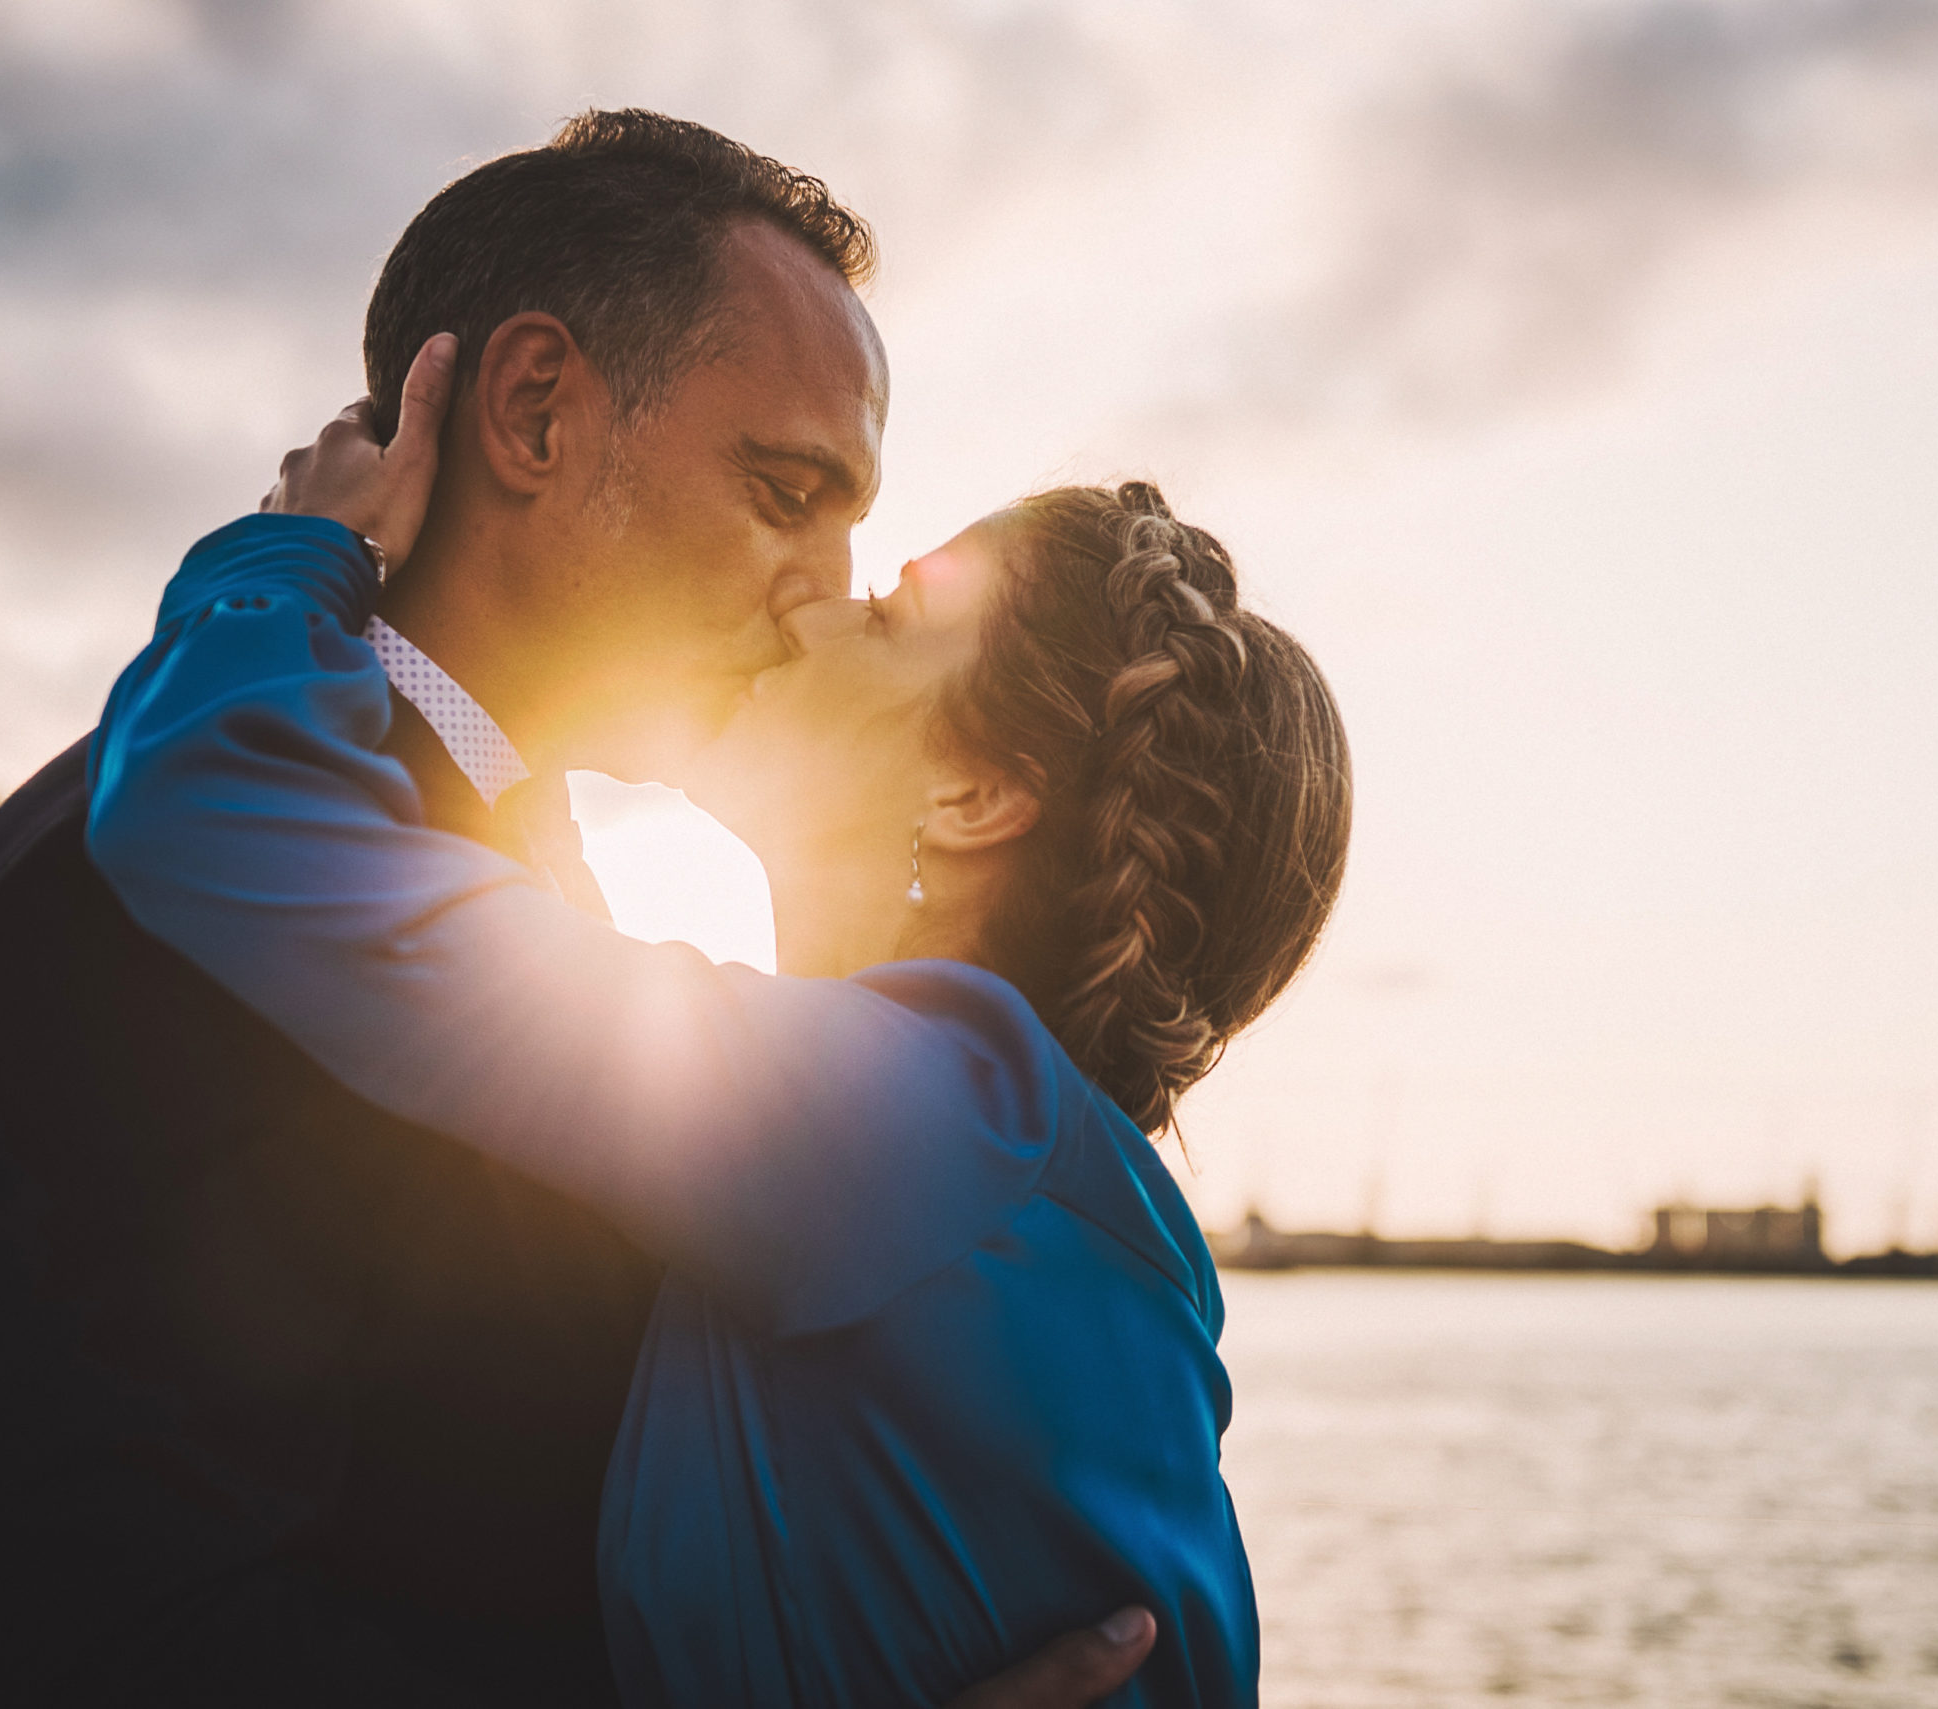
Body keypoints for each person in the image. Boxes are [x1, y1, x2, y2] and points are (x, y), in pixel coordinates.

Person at [0, 110, 1159, 1705]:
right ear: (537, 410)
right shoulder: (135, 893)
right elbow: (136, 1658)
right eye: (785, 488)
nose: (824, 588)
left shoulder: (505, 888)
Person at [80, 336, 1353, 1703]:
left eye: (883, 615)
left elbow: (214, 816)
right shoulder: (984, 1173)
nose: (808, 611)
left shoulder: (919, 1120)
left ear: (976, 794)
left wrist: (295, 552)